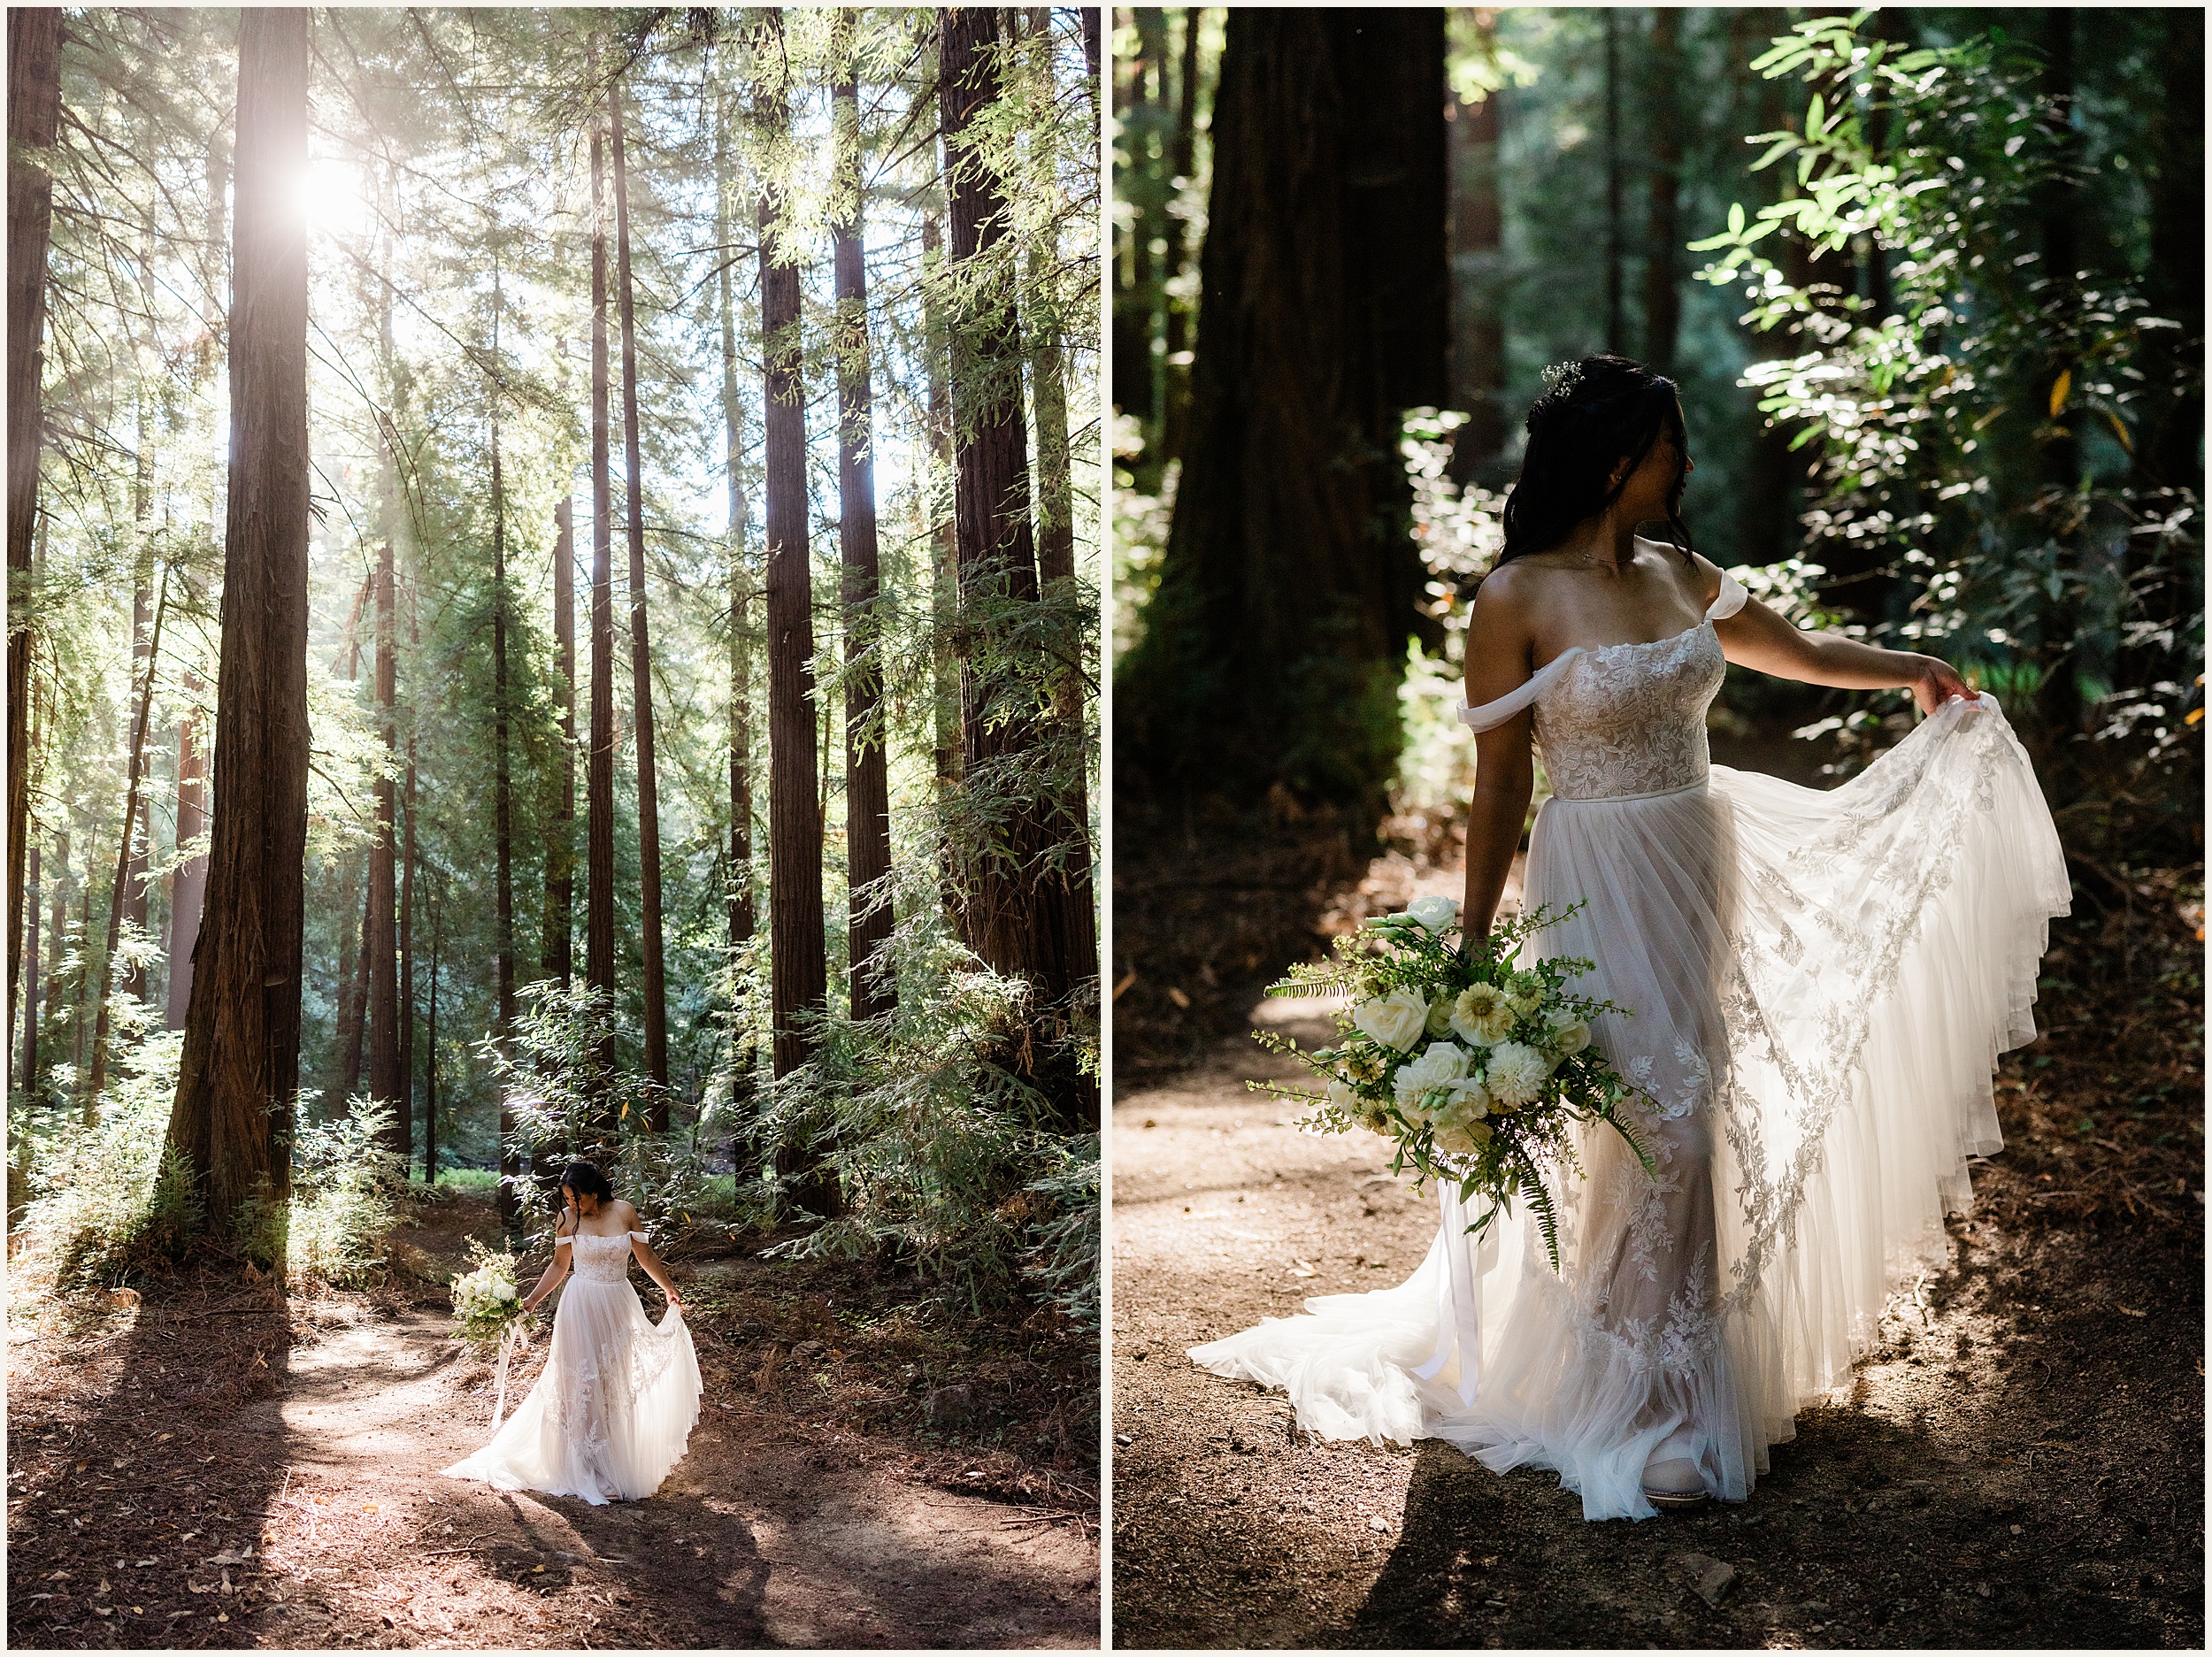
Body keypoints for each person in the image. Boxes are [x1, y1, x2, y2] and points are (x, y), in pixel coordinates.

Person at [1190, 357, 2070, 1520]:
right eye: (1668, 445)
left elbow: (1799, 653)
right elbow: (1500, 780)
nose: (1685, 464)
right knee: (1650, 1123)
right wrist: (1475, 937)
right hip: (1594, 874)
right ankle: (1626, 1396)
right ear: (1614, 458)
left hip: (1701, 863)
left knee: (1692, 1110)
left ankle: (1688, 1391)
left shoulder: (1682, 572)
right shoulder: (1516, 597)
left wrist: (1910, 668)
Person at [443, 1161, 702, 1505]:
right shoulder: (567, 1218)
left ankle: (610, 1459)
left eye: (577, 1198)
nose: (572, 1204)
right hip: (580, 1305)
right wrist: (533, 1300)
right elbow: (559, 1264)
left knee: (614, 1379)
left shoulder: (624, 1212)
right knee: (581, 1381)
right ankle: (578, 1460)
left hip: (618, 1304)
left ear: (595, 1193)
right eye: (567, 1197)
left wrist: (667, 1287)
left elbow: (644, 1254)